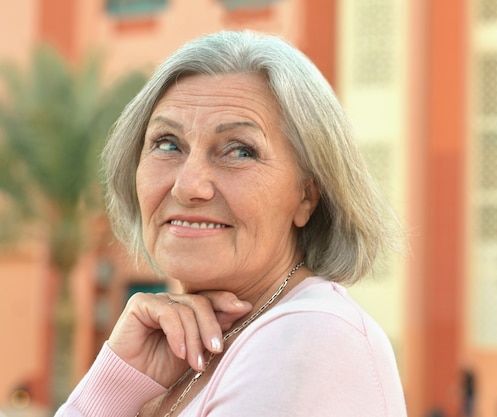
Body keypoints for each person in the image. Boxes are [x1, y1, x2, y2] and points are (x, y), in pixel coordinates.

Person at [55, 30, 406, 417]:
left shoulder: (309, 337)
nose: (188, 186)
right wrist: (116, 382)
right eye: (168, 143)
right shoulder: (190, 354)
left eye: (240, 151)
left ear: (306, 195)